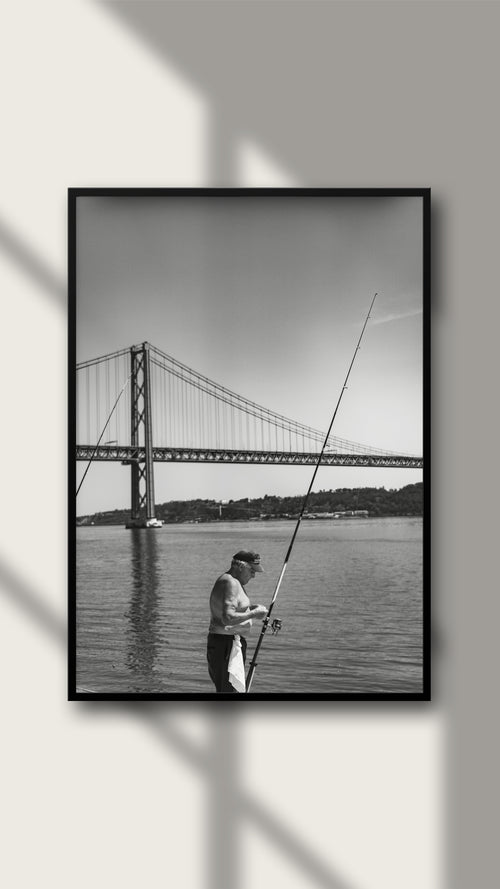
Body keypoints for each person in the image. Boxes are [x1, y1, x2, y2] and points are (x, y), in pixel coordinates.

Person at [207, 550, 268, 693]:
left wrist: (251, 609)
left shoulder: (234, 582)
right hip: (226, 645)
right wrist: (253, 614)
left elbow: (233, 610)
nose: (253, 575)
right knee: (228, 691)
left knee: (231, 690)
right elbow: (227, 618)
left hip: (228, 644)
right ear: (240, 567)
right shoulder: (230, 583)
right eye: (252, 570)